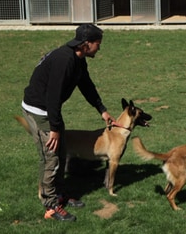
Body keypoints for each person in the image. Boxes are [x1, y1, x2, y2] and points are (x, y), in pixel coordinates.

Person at [21, 24, 115, 221]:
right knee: (51, 157)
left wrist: (102, 110)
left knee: (61, 153)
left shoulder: (78, 59)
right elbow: (52, 96)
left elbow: (86, 85)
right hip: (39, 109)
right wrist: (54, 128)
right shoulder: (64, 60)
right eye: (98, 44)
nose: (100, 48)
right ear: (86, 44)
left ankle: (59, 195)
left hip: (49, 109)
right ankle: (50, 206)